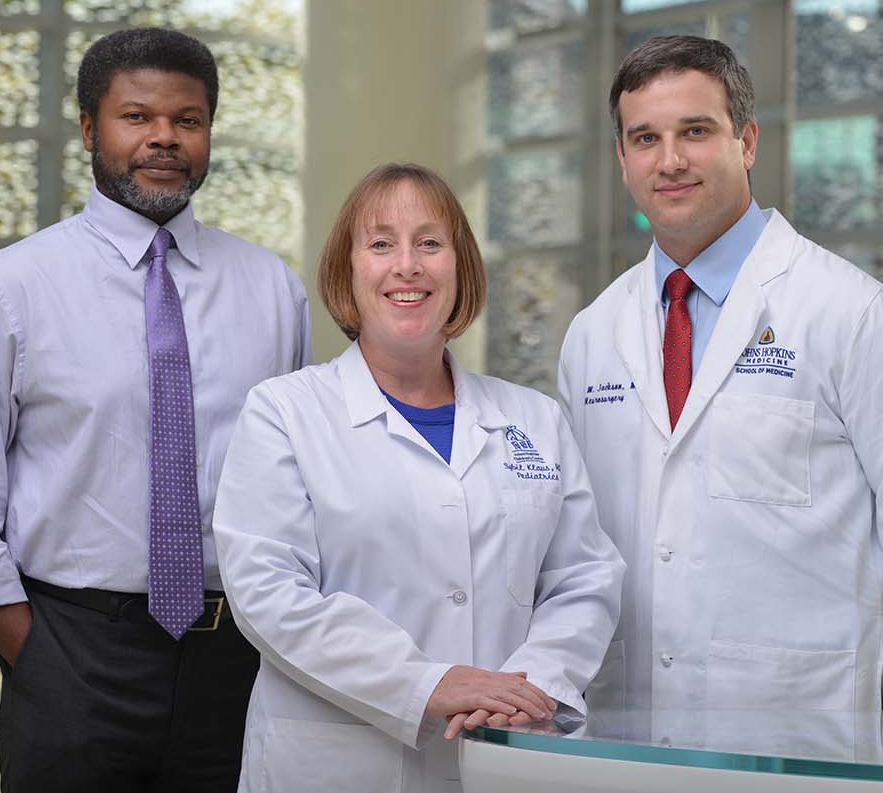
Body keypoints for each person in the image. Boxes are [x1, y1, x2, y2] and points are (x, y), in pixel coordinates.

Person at [0, 27, 311, 792]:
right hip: (70, 653)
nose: (163, 137)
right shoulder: (8, 290)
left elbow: (296, 492)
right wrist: (40, 658)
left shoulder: (273, 292)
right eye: (137, 116)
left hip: (237, 659)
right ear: (91, 128)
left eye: (187, 120)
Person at [557, 35, 883, 721]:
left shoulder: (857, 316)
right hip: (628, 726)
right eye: (645, 138)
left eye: (695, 131)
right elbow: (581, 542)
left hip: (807, 729)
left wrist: (869, 687)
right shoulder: (592, 335)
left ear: (747, 140)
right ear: (622, 158)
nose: (669, 160)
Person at [213, 163, 623, 793]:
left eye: (430, 243)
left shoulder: (533, 419)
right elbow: (270, 593)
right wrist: (428, 684)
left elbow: (583, 579)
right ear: (347, 272)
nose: (407, 265)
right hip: (335, 766)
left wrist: (532, 686)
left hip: (501, 755)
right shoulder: (284, 412)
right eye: (380, 244)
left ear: (461, 269)